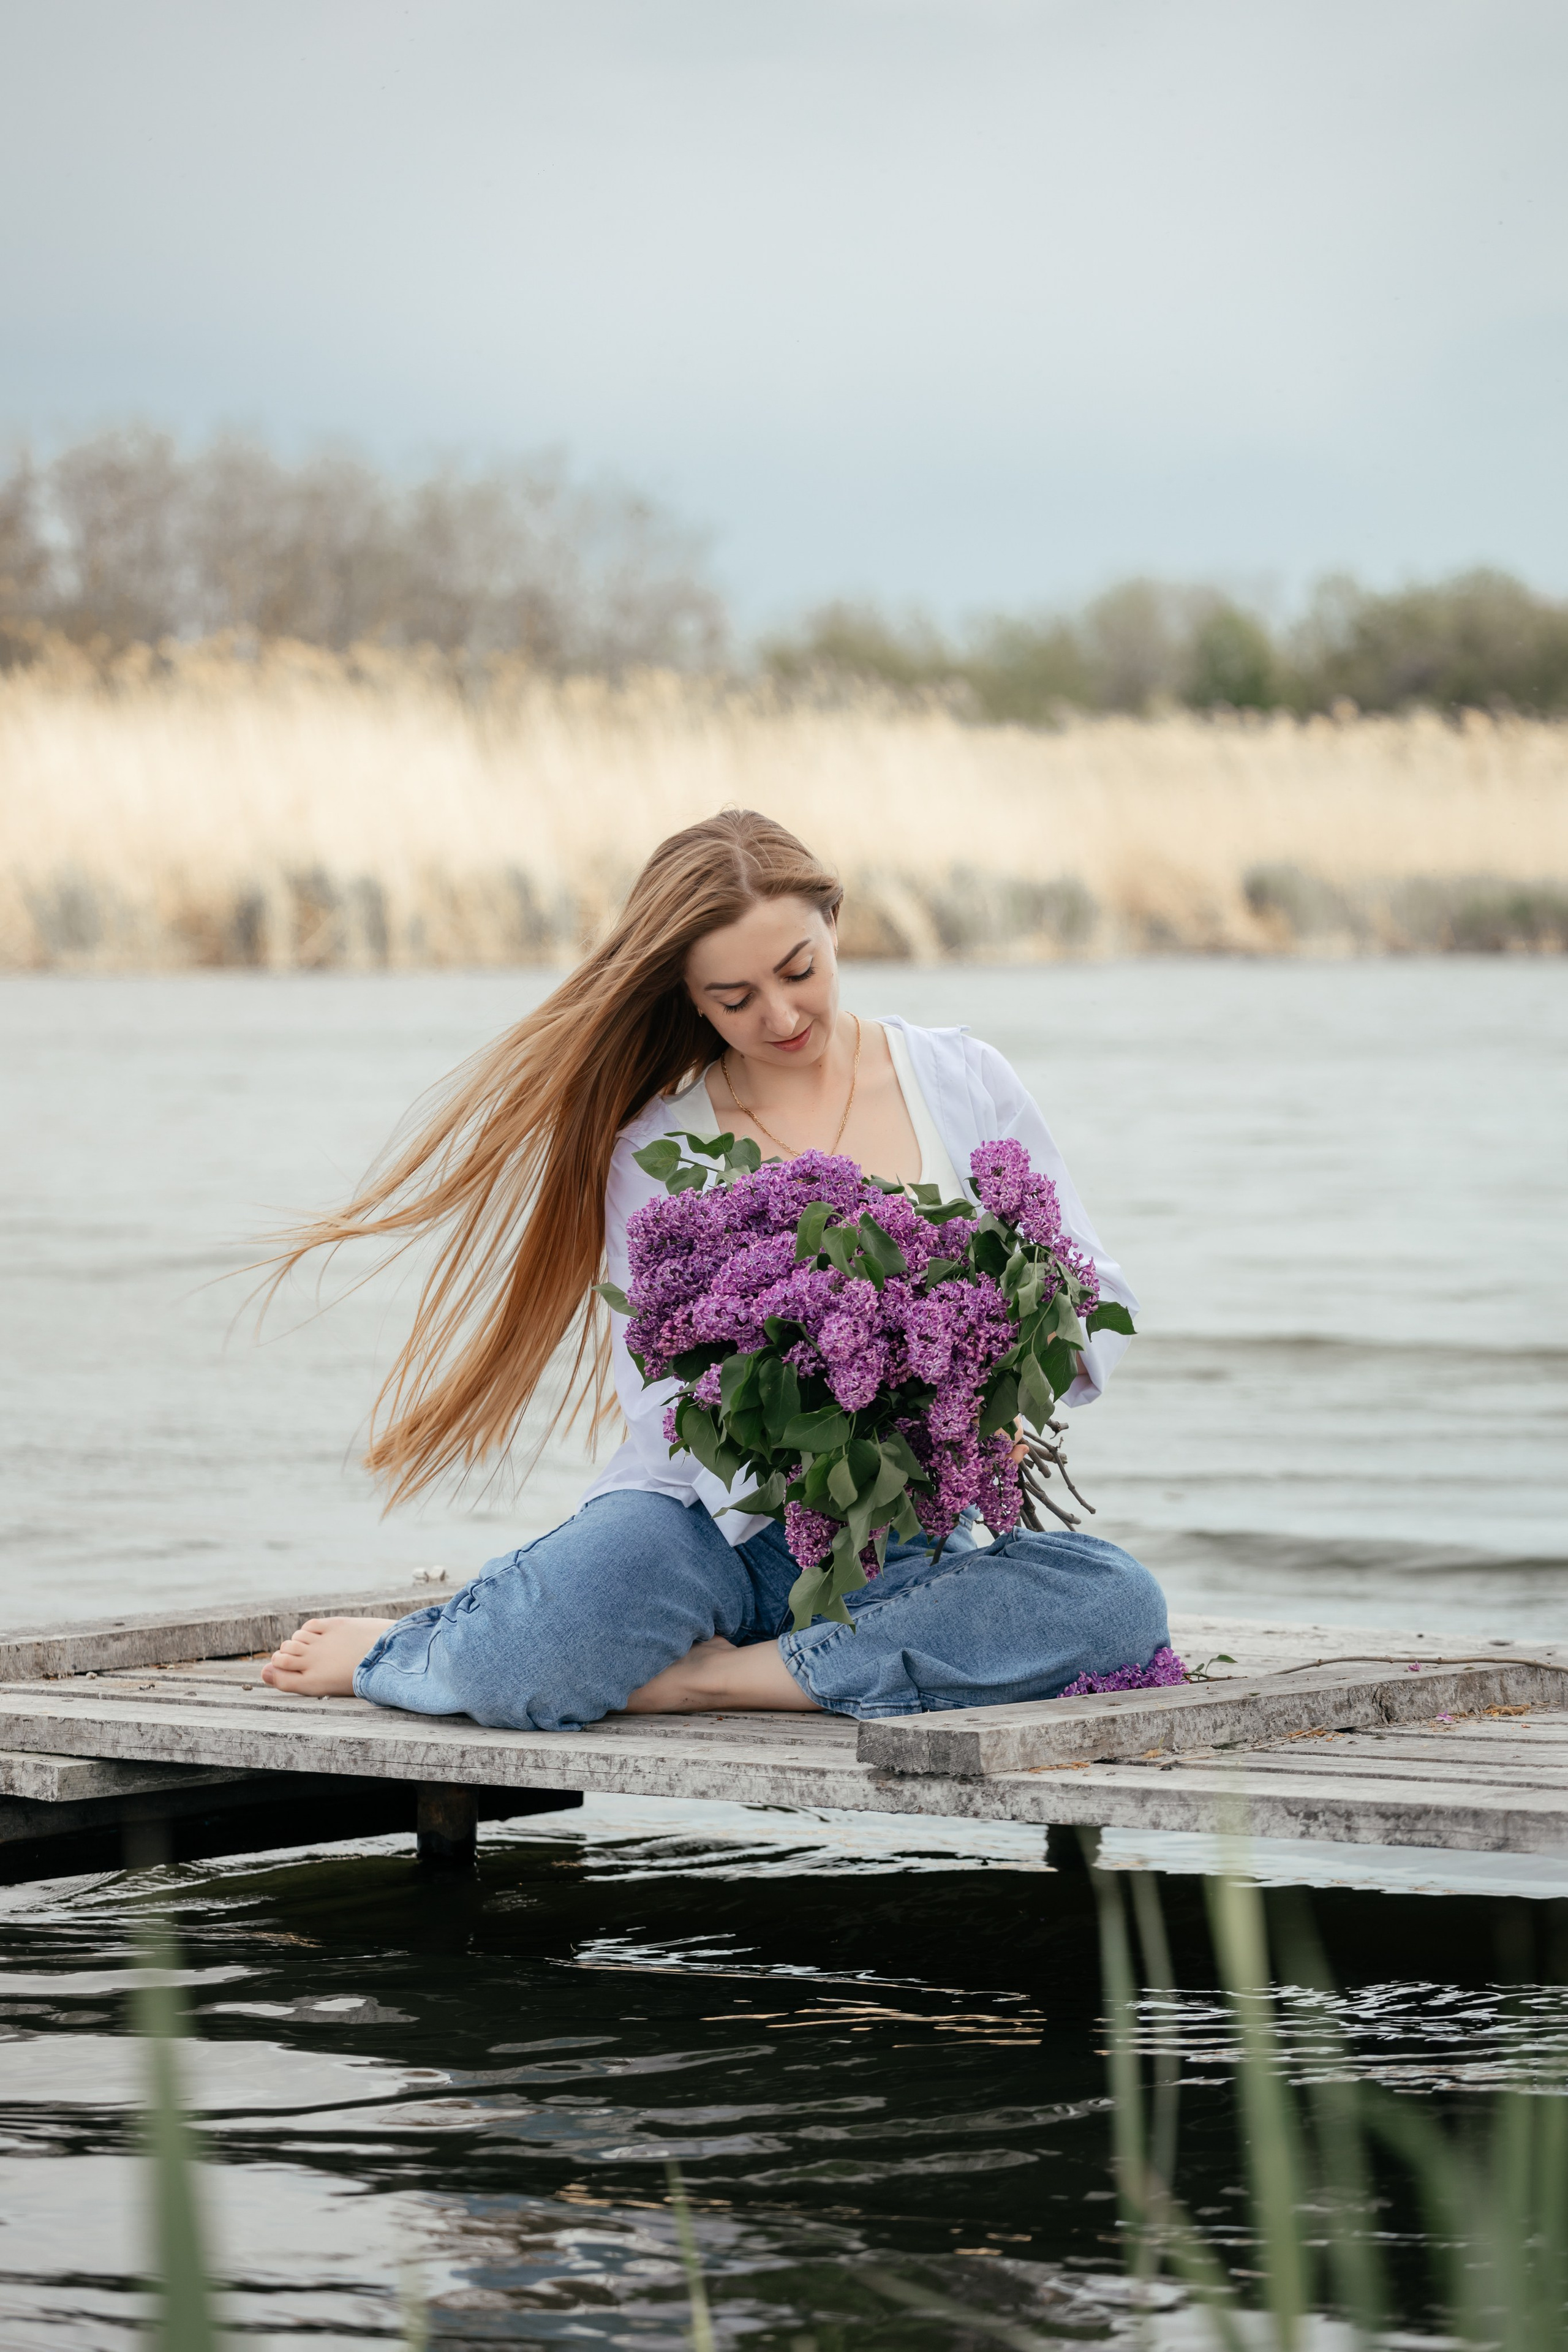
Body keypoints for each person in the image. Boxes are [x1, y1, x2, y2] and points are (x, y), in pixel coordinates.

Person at [261, 810, 1167, 1724]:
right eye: (734, 998)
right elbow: (660, 1399)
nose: (778, 1016)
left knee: (1117, 1607)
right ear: (690, 998)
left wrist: (978, 1385)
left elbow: (1092, 1291)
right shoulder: (661, 1144)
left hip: (899, 1541)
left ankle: (707, 1678)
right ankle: (420, 1648)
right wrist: (813, 1428)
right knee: (513, 1666)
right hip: (691, 1529)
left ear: (834, 925)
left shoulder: (962, 1080)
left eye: (798, 970)